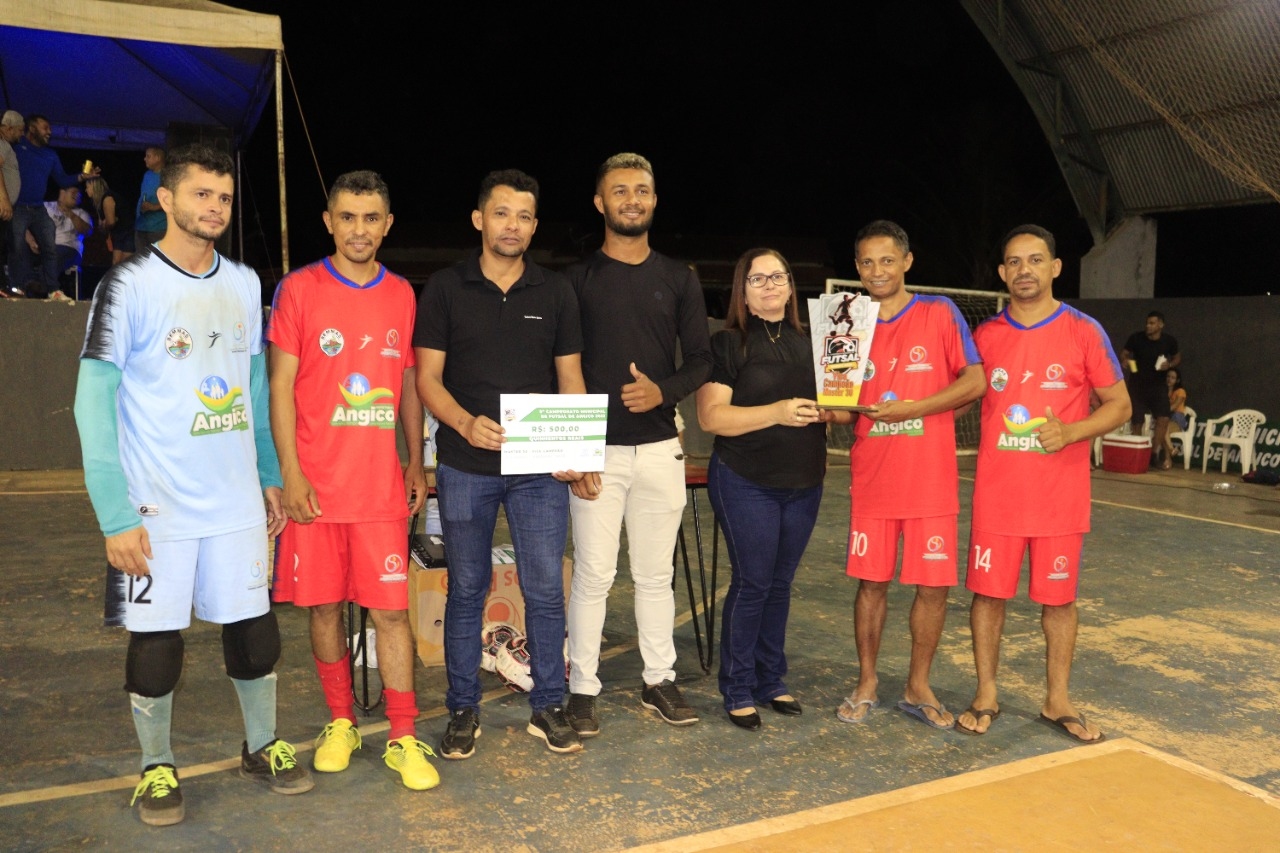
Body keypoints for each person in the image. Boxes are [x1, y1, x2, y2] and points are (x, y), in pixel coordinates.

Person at [72, 144, 313, 828]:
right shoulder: (127, 286)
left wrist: (268, 476)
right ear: (166, 199)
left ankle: (262, 745)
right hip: (155, 507)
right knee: (156, 642)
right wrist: (113, 514)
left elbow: (254, 392)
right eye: (201, 194)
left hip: (235, 501)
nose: (215, 207)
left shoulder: (243, 282)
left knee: (256, 633)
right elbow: (93, 402)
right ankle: (155, 765)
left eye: (225, 197)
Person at [267, 170, 437, 790]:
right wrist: (289, 474)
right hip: (314, 490)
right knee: (322, 608)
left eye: (371, 218)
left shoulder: (401, 295)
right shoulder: (299, 289)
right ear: (329, 221)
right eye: (348, 217)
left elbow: (412, 386)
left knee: (392, 614)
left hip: (379, 493)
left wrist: (415, 461)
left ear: (387, 224)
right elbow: (280, 386)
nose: (359, 229)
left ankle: (402, 735)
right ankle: (339, 722)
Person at [414, 168, 589, 757]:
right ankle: (463, 708)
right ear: (479, 219)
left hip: (540, 472)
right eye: (501, 213)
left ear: (534, 226)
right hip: (465, 465)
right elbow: (427, 380)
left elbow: (570, 380)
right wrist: (463, 423)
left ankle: (549, 705)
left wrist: (576, 451)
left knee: (544, 588)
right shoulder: (443, 288)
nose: (511, 225)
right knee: (466, 586)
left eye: (523, 216)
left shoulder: (556, 291)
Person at [956, 224, 1130, 743]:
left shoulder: (1083, 330)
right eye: (1013, 262)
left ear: (1055, 267)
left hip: (1059, 499)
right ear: (1002, 273)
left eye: (1034, 260)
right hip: (997, 497)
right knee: (987, 596)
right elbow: (952, 400)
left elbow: (1120, 404)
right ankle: (986, 692)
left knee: (1059, 601)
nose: (1023, 270)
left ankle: (1058, 699)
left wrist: (1072, 431)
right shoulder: (984, 338)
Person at [564, 152, 713, 736]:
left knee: (655, 576)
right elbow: (559, 367)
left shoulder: (680, 278)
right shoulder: (574, 280)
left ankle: (659, 681)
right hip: (596, 454)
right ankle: (582, 690)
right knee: (594, 576)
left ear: (654, 200)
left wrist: (663, 392)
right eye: (620, 191)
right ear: (600, 203)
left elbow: (701, 359)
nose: (633, 199)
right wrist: (573, 451)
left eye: (643, 190)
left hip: (658, 449)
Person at [822, 221, 984, 729]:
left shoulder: (940, 311)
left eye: (887, 260)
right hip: (874, 477)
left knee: (932, 588)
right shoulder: (844, 319)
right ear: (856, 268)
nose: (877, 271)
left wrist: (915, 408)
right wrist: (832, 409)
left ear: (908, 261)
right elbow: (847, 408)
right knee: (871, 584)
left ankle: (918, 684)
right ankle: (867, 681)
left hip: (931, 479)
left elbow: (975, 381)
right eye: (867, 263)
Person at [695, 248, 826, 730]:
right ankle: (738, 685)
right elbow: (712, 417)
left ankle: (772, 679)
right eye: (757, 279)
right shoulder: (727, 344)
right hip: (745, 480)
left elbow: (841, 405)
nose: (769, 285)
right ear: (743, 293)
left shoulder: (816, 343)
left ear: (792, 286)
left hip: (804, 482)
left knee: (780, 583)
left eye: (778, 276)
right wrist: (776, 411)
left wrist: (833, 411)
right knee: (753, 582)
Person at [8, 114, 95, 298]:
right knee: (17, 246)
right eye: (45, 127)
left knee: (49, 244)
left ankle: (53, 289)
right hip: (19, 206)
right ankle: (18, 287)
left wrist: (81, 177)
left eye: (50, 128)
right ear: (32, 129)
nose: (50, 132)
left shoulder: (50, 155)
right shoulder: (17, 148)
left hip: (38, 207)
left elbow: (62, 179)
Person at [1120, 311, 1179, 469]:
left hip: (1158, 386)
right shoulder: (1136, 338)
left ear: (1160, 325)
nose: (1148, 326)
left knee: (1163, 418)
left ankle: (1153, 452)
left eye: (1152, 323)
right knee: (1137, 420)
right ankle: (1138, 452)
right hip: (1138, 385)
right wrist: (1125, 360)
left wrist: (1170, 365)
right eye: (1147, 323)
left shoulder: (1169, 341)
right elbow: (1124, 353)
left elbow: (1177, 357)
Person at [26, 184, 91, 302]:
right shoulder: (46, 207)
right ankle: (22, 286)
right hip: (45, 246)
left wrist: (70, 214)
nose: (78, 196)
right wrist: (31, 240)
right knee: (21, 248)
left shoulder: (81, 213)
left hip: (69, 248)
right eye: (74, 193)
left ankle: (40, 287)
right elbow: (24, 223)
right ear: (62, 193)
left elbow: (86, 231)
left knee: (55, 253)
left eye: (79, 194)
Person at [0, 110, 22, 297]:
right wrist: (4, 199)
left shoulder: (6, 145)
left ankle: (2, 285)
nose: (21, 134)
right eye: (19, 130)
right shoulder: (2, 145)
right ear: (8, 128)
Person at [135, 146, 167, 249]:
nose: (145, 159)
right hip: (141, 225)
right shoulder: (147, 174)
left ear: (157, 158)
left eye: (148, 156)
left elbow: (174, 200)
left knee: (158, 260)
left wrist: (153, 207)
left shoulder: (167, 176)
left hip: (158, 227)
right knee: (140, 261)